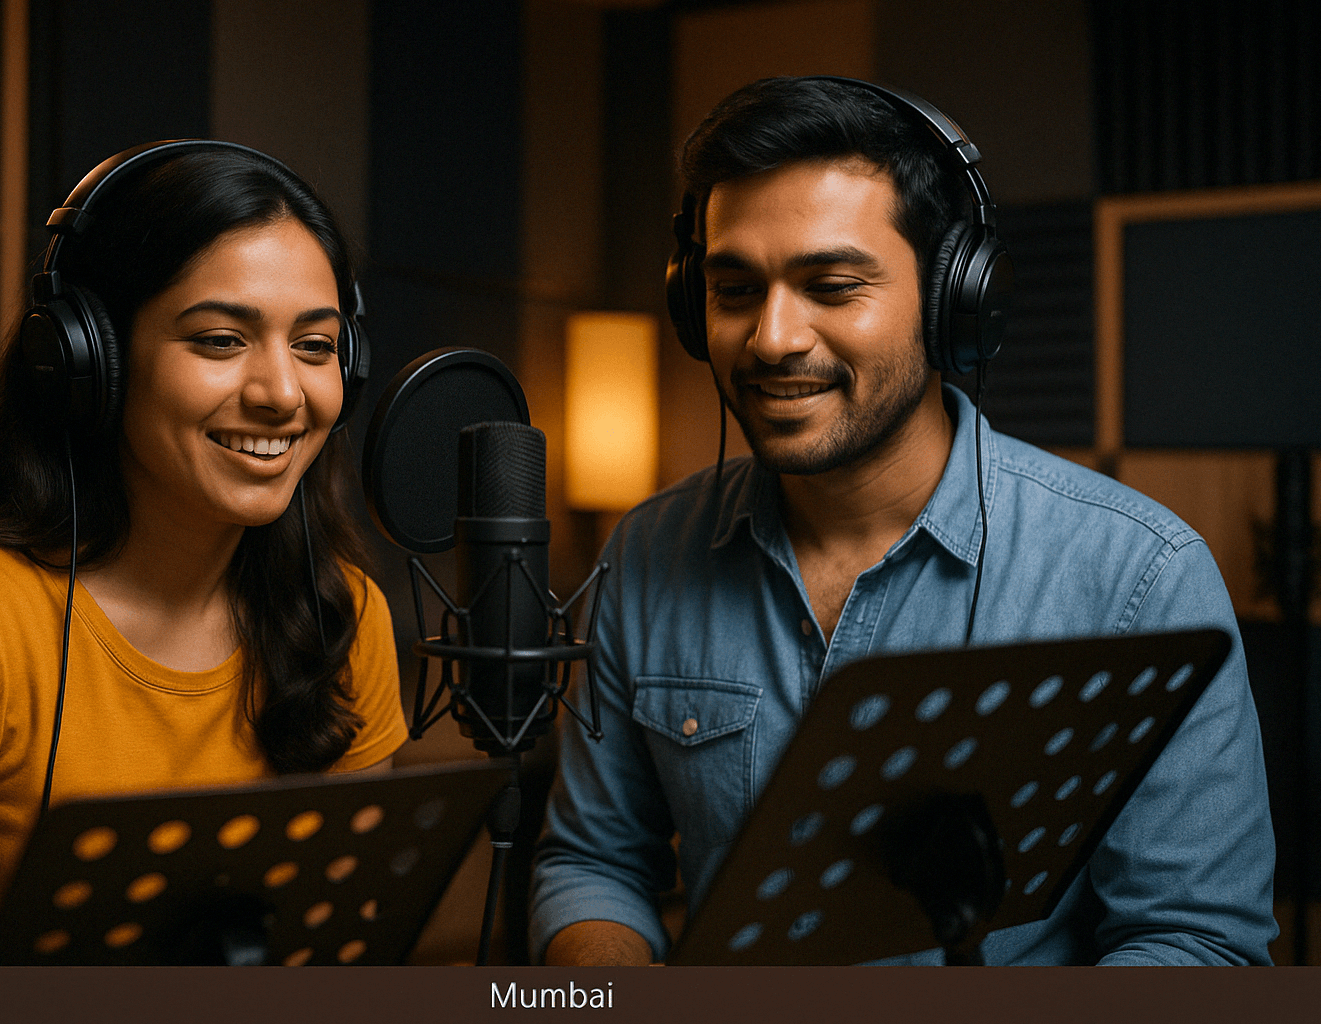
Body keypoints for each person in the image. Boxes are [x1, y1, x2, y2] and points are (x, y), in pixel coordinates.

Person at [530, 77, 1276, 966]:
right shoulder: (649, 551)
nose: (772, 338)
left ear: (953, 301)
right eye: (735, 290)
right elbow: (594, 860)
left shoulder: (1140, 576)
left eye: (831, 286)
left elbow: (1196, 941)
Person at [0, 141, 408, 965]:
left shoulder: (339, 611)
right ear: (89, 359)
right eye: (220, 341)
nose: (281, 394)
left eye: (315, 347)